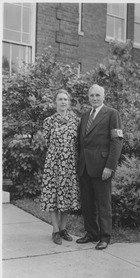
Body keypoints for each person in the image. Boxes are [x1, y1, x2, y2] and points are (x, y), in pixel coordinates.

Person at [76, 84, 123, 250]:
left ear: (103, 96)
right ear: (88, 97)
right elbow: (81, 143)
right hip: (84, 167)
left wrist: (110, 166)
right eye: (92, 96)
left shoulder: (111, 114)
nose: (94, 98)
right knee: (87, 203)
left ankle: (104, 237)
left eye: (97, 95)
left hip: (102, 168)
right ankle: (91, 233)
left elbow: (116, 142)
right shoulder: (84, 115)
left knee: (103, 204)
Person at [40, 89, 80, 245]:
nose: (63, 102)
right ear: (55, 102)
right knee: (53, 196)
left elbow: (77, 143)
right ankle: (55, 230)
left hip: (69, 164)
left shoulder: (75, 121)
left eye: (66, 99)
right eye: (60, 99)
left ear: (68, 102)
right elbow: (47, 142)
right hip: (54, 164)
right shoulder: (48, 121)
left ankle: (64, 229)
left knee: (67, 196)